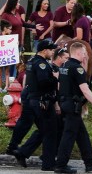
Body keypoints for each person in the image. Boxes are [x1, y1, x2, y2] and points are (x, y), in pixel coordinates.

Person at [55, 41, 92, 174]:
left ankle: (90, 162)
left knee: (82, 135)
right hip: (72, 105)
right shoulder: (77, 68)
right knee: (69, 136)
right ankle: (60, 165)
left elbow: (59, 85)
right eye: (84, 53)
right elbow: (85, 89)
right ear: (78, 52)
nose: (85, 55)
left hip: (65, 103)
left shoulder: (64, 65)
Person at [11, 40, 58, 170]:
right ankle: (48, 164)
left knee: (44, 130)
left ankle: (22, 152)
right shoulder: (41, 64)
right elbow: (43, 82)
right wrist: (55, 78)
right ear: (44, 50)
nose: (53, 51)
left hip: (33, 100)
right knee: (50, 132)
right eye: (51, 49)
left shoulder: (32, 61)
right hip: (41, 101)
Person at [0, 20, 14, 91]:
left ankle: (6, 87)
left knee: (7, 72)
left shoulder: (11, 38)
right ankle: (0, 87)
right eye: (10, 29)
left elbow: (12, 46)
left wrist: (15, 43)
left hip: (7, 57)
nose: (11, 31)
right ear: (5, 28)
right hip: (1, 57)